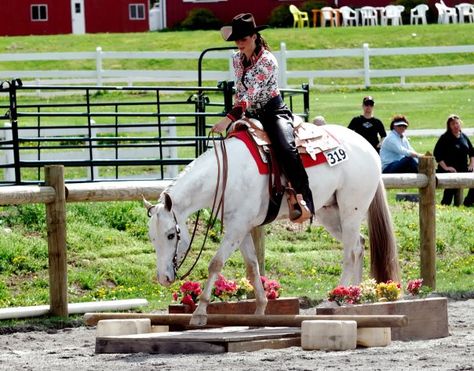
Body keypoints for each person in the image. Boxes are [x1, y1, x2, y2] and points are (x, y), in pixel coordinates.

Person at [211, 13, 314, 223]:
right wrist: (236, 117)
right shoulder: (236, 59)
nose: (240, 43)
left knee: (286, 148)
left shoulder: (268, 61)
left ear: (255, 37)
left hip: (272, 111)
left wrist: (227, 119)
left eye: (244, 39)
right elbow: (240, 91)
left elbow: (251, 93)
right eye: (237, 40)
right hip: (248, 114)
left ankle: (305, 201)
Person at [433, 114, 474, 207]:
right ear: (449, 126)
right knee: (452, 186)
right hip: (448, 169)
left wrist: (472, 164)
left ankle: (468, 201)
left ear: (460, 124)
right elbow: (437, 155)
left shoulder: (463, 136)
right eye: (452, 124)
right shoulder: (445, 137)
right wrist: (446, 167)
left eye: (457, 123)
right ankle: (445, 205)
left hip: (463, 167)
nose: (455, 125)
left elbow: (472, 152)